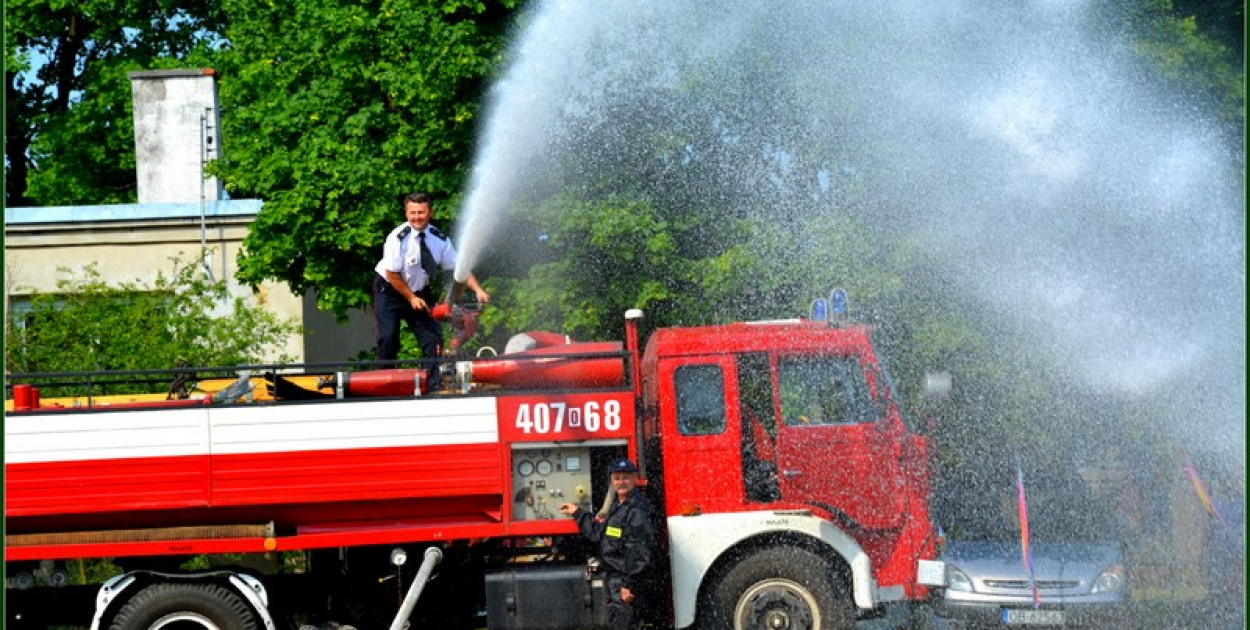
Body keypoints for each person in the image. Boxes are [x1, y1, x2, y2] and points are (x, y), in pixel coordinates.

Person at [374, 193, 489, 389]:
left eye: (421, 212)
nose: (417, 217)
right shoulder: (397, 238)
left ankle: (432, 384)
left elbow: (458, 268)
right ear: (406, 213)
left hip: (419, 292)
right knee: (389, 336)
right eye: (413, 213)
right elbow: (392, 274)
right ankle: (384, 383)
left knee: (433, 338)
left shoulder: (439, 239)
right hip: (390, 290)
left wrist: (478, 289)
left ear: (430, 213)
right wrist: (410, 297)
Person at [559, 458, 655, 630]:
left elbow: (640, 551)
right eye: (617, 478)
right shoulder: (618, 506)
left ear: (634, 479)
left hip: (624, 579)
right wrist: (578, 513)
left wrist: (629, 585)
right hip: (616, 578)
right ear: (612, 481)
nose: (621, 482)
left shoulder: (637, 509)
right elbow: (599, 533)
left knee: (626, 623)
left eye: (626, 478)